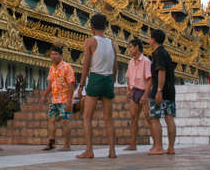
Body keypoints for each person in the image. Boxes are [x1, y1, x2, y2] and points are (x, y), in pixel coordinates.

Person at [77, 13, 117, 159]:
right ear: (105, 26)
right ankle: (112, 151)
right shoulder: (112, 43)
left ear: (91, 27)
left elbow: (86, 65)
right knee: (109, 119)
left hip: (95, 78)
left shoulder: (90, 41)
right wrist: (111, 82)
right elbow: (115, 66)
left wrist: (81, 85)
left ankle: (89, 150)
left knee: (87, 117)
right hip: (107, 80)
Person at [40, 46, 75, 151]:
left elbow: (71, 85)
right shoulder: (52, 68)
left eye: (55, 54)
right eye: (52, 54)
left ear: (61, 55)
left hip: (65, 99)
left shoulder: (67, 67)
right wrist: (44, 96)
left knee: (65, 121)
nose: (53, 56)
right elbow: (50, 84)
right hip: (54, 99)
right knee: (51, 120)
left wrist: (69, 100)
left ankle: (67, 145)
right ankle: (51, 142)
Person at [148, 29, 177, 155]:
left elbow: (161, 71)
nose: (149, 40)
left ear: (153, 39)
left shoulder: (158, 53)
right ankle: (170, 148)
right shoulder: (165, 53)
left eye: (150, 37)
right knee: (169, 118)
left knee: (154, 118)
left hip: (160, 91)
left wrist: (159, 90)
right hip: (170, 91)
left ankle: (158, 147)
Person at [124, 38, 152, 151]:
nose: (130, 49)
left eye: (131, 47)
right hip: (134, 91)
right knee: (133, 118)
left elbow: (150, 79)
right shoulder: (131, 62)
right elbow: (129, 77)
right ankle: (132, 144)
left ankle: (156, 144)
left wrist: (145, 95)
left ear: (136, 47)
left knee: (149, 118)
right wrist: (128, 89)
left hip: (144, 91)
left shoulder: (146, 61)